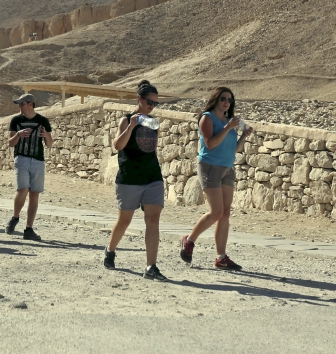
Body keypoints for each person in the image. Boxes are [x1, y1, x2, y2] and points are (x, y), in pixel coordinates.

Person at [178, 87, 252, 270]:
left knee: (225, 213)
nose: (226, 102)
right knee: (216, 212)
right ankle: (189, 240)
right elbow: (210, 144)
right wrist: (228, 128)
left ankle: (221, 257)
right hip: (210, 167)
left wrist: (243, 136)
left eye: (229, 100)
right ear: (215, 99)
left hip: (227, 168)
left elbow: (232, 149)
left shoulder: (228, 121)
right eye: (223, 99)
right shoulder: (207, 118)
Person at [104, 80, 167, 281]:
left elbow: (152, 149)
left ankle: (151, 266)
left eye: (155, 103)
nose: (152, 106)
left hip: (152, 176)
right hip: (129, 177)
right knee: (124, 221)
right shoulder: (126, 120)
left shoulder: (153, 123)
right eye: (149, 102)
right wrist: (131, 126)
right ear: (139, 99)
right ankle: (110, 250)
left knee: (153, 220)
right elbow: (118, 145)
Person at [5, 94, 53, 241]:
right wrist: (18, 135)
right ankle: (15, 217)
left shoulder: (43, 121)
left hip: (38, 160)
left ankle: (29, 229)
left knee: (34, 194)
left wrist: (46, 135)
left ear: (30, 104)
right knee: (22, 190)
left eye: (22, 104)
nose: (19, 107)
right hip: (22, 159)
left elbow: (49, 144)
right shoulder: (16, 120)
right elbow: (10, 143)